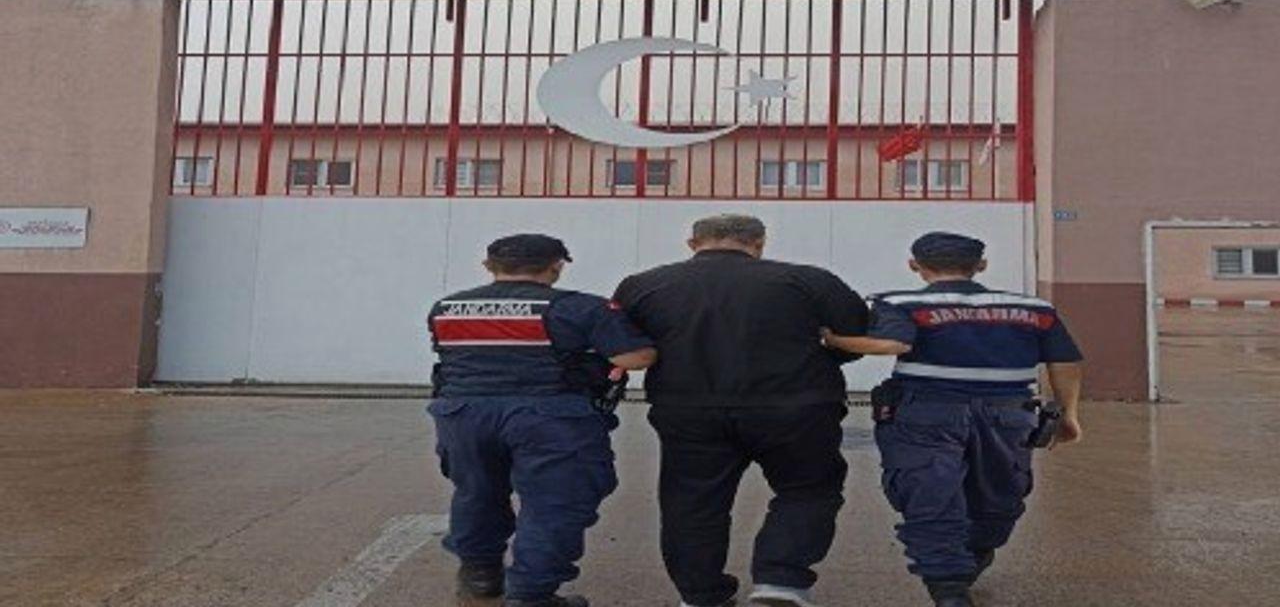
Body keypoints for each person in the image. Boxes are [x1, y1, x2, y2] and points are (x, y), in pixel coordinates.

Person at [612, 214, 869, 607]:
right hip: (796, 407)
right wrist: (823, 360)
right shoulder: (808, 280)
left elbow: (621, 343)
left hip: (688, 409)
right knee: (807, 489)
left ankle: (701, 594)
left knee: (692, 502)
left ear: (692, 243)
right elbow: (856, 334)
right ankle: (781, 581)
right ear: (759, 243)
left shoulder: (642, 285)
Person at [822, 232, 1084, 607]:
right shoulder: (1034, 308)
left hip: (927, 412)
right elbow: (1065, 360)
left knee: (929, 493)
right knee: (998, 495)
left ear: (915, 266)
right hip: (1008, 414)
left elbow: (893, 345)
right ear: (981, 266)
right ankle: (971, 558)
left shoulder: (900, 302)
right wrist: (1069, 413)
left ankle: (948, 587)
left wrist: (835, 341)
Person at [426, 234, 657, 607]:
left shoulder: (447, 307)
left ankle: (481, 577)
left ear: (489, 266)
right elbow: (636, 357)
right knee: (555, 504)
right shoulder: (579, 307)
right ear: (556, 267)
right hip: (550, 416)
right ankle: (531, 596)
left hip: (463, 414)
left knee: (477, 494)